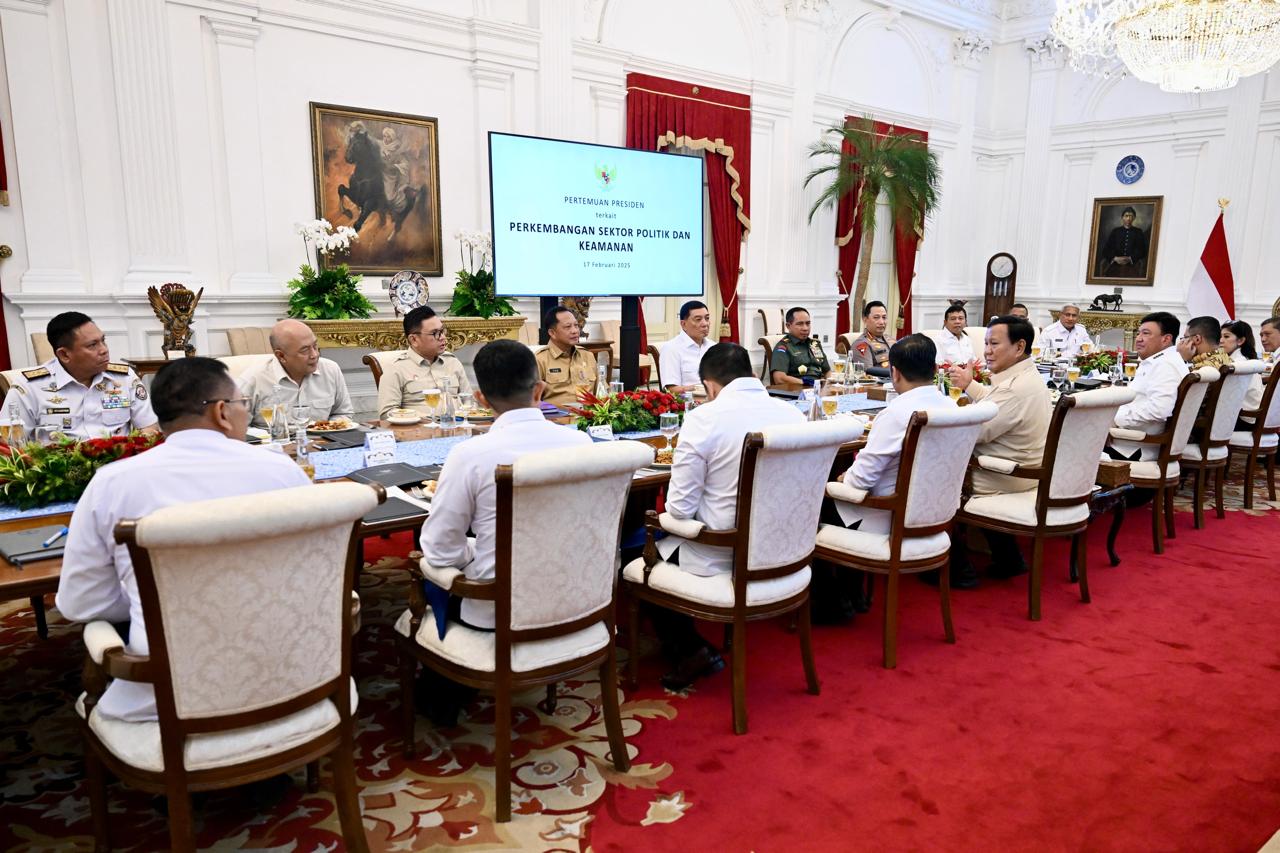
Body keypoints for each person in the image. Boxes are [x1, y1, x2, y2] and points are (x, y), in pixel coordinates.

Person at [54, 358, 312, 722]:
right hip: (292, 676)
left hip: (167, 694)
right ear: (223, 412)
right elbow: (311, 570)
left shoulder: (112, 483)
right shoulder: (282, 470)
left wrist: (157, 600)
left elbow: (81, 604)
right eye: (243, 406)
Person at [418, 340, 592, 722]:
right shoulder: (582, 444)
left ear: (481, 399)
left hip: (499, 608)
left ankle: (442, 697)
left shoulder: (471, 455)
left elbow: (439, 553)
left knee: (426, 576)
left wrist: (473, 551)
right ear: (540, 389)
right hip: (581, 595)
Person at [655, 342, 805, 689]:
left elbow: (678, 509)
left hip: (720, 552)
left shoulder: (704, 418)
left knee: (634, 552)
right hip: (787, 548)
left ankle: (689, 649)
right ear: (753, 375)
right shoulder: (792, 413)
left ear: (710, 387)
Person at [946, 317, 1050, 585]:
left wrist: (934, 415)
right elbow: (996, 405)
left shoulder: (1015, 389)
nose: (987, 351)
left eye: (994, 344)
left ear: (1019, 347)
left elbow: (974, 432)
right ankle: (1009, 558)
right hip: (1025, 470)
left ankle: (956, 568)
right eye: (986, 344)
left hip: (1002, 475)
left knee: (925, 474)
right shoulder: (1025, 377)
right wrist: (970, 385)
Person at [829, 334, 953, 535]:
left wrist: (844, 478)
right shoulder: (952, 407)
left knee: (812, 499)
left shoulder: (896, 414)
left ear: (894, 373)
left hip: (885, 517)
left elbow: (859, 481)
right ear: (936, 370)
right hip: (937, 513)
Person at [1, 312, 158, 440]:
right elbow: (9, 446)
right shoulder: (28, 388)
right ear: (64, 354)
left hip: (118, 469)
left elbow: (149, 427)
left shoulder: (124, 378)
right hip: (60, 475)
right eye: (92, 345)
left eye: (103, 341)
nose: (104, 350)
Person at [240, 319, 354, 429]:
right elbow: (236, 430)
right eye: (304, 350)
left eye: (315, 346)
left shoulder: (330, 369)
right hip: (271, 446)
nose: (314, 354)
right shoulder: (253, 380)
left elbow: (343, 413)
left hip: (322, 444)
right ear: (281, 356)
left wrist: (326, 428)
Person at [1106, 312, 1189, 461]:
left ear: (1166, 338)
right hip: (1131, 439)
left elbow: (1159, 410)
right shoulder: (1160, 360)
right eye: (1138, 333)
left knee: (1069, 437)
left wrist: (1114, 419)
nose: (1138, 338)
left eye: (1146, 333)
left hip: (1135, 447)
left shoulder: (1165, 366)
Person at [376, 306, 472, 419]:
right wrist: (424, 418)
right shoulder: (396, 370)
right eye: (435, 333)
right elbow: (386, 413)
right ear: (414, 340)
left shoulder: (452, 362)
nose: (443, 337)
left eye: (442, 331)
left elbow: (469, 401)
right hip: (418, 432)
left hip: (458, 428)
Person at [534, 305, 597, 408]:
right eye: (568, 327)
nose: (575, 331)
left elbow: (601, 392)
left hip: (587, 418)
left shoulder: (587, 356)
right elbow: (531, 400)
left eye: (576, 325)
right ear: (552, 333)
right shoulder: (540, 359)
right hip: (556, 420)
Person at [659, 300, 714, 393]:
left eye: (707, 318)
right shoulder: (671, 349)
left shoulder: (713, 347)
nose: (705, 324)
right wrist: (703, 388)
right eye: (698, 319)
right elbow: (671, 390)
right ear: (683, 324)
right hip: (688, 403)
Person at [770, 307, 831, 387]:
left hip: (820, 388)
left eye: (808, 323)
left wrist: (829, 383)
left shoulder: (814, 344)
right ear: (788, 326)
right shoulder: (783, 347)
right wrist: (806, 383)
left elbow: (827, 371)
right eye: (800, 324)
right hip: (798, 390)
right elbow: (779, 378)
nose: (805, 328)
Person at [1222, 320, 1263, 430]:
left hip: (1245, 419)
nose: (1221, 341)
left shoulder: (1237, 364)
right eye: (1219, 336)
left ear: (1240, 340)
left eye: (1226, 337)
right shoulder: (1244, 360)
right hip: (1252, 417)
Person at [1096, 206, 1148, 278]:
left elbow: (1142, 250)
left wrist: (1130, 259)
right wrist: (1115, 258)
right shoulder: (1115, 231)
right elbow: (1106, 250)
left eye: (1131, 216)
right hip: (1115, 265)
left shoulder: (1138, 232)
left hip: (1132, 266)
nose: (1128, 219)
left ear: (1134, 218)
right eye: (1126, 216)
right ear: (1122, 217)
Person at [848, 301, 893, 378]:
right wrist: (896, 373)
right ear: (865, 320)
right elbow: (867, 373)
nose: (882, 322)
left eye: (884, 317)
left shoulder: (890, 339)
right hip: (880, 386)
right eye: (876, 317)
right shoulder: (861, 344)